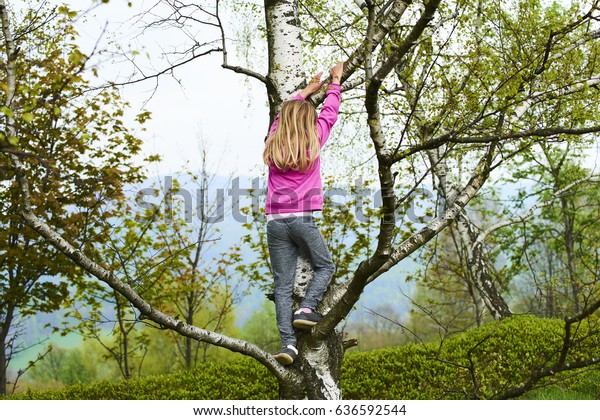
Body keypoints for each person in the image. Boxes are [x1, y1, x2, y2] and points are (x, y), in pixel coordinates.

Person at [263, 62, 344, 365]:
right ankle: (307, 308)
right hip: (302, 219)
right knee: (325, 266)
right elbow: (330, 114)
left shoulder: (273, 143)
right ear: (309, 123)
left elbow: (283, 113)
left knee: (282, 285)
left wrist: (308, 90)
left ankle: (287, 345)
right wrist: (334, 82)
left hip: (275, 223)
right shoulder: (314, 139)